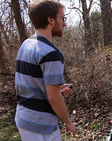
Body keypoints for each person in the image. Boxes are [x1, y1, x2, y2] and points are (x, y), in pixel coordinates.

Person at [15, 0, 76, 140]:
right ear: (50, 20)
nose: (64, 23)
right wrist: (68, 122)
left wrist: (57, 86)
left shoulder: (26, 44)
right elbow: (54, 98)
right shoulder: (51, 53)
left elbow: (30, 83)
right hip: (41, 125)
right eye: (62, 18)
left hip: (23, 118)